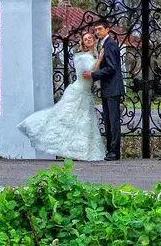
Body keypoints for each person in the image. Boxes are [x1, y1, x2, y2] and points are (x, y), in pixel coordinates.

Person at [17, 32, 107, 161]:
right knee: (63, 119)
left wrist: (99, 58)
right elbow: (90, 73)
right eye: (85, 39)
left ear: (94, 40)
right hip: (77, 92)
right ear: (83, 43)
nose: (88, 40)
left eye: (90, 38)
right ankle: (33, 125)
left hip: (86, 93)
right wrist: (99, 60)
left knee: (82, 123)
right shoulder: (82, 57)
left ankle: (80, 151)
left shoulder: (94, 54)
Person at [83, 20, 124, 161]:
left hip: (113, 88)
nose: (97, 32)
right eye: (96, 30)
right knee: (108, 120)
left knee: (113, 121)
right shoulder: (104, 44)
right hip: (108, 88)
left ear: (107, 29)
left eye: (100, 29)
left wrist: (93, 75)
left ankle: (114, 151)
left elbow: (112, 67)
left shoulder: (110, 45)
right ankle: (111, 150)